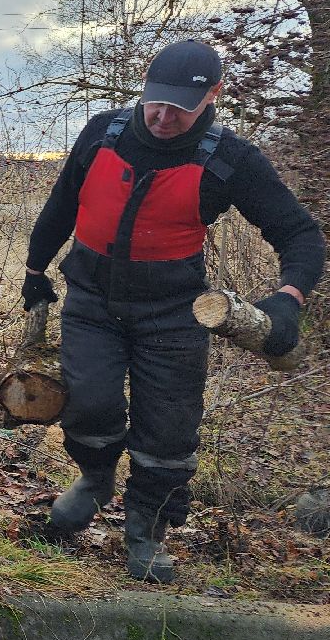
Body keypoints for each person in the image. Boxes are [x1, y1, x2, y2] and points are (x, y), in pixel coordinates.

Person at [24, 39, 323, 582]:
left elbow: (300, 235)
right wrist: (34, 271)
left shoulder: (229, 159)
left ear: (213, 95)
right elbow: (63, 204)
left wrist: (287, 300)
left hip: (174, 316)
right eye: (154, 102)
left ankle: (146, 530)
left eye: (179, 108)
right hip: (91, 304)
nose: (162, 117)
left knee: (168, 433)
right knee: (88, 408)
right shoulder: (103, 133)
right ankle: (94, 479)